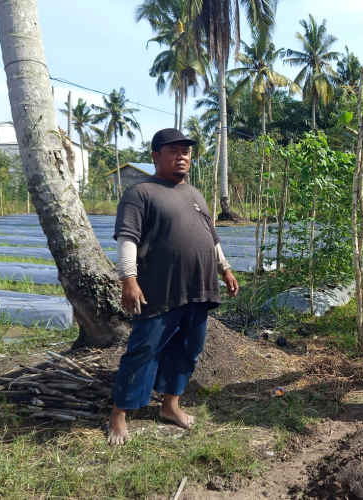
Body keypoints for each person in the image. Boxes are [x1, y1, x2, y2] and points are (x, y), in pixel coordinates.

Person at [106, 128, 239, 445]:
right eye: (174, 151)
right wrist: (128, 279)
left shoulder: (195, 194)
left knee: (188, 350)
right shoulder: (140, 193)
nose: (182, 156)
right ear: (156, 156)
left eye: (186, 152)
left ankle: (170, 406)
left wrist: (226, 269)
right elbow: (127, 238)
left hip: (199, 288)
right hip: (161, 290)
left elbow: (212, 238)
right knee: (143, 351)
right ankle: (118, 415)